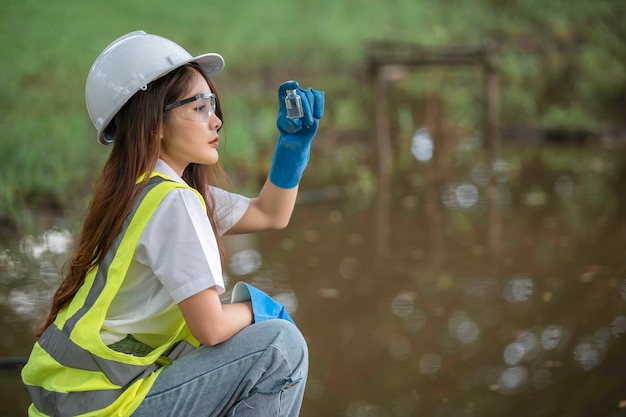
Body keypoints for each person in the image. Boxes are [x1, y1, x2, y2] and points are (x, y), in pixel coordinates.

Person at [20, 30, 324, 417]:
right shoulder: (173, 202)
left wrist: (292, 148)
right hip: (105, 407)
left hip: (78, 399)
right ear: (154, 123)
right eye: (199, 107)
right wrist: (262, 308)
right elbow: (211, 327)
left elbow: (269, 213)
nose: (216, 121)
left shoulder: (142, 190)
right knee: (280, 346)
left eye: (212, 104)